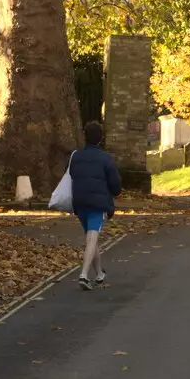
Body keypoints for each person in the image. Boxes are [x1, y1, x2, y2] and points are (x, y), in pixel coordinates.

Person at [69, 122, 122, 290]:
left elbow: (70, 174)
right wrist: (115, 192)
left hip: (79, 201)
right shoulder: (105, 158)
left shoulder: (75, 156)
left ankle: (99, 274)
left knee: (92, 237)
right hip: (97, 203)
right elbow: (115, 185)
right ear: (101, 139)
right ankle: (84, 275)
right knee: (92, 237)